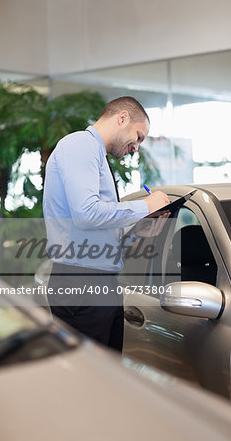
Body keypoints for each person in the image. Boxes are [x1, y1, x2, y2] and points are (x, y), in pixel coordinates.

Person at [43, 96, 169, 351]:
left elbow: (96, 227)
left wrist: (139, 230)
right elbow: (86, 213)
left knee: (107, 376)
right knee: (89, 381)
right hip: (81, 283)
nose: (136, 147)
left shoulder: (95, 154)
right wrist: (147, 205)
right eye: (139, 136)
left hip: (99, 282)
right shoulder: (80, 145)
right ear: (122, 118)